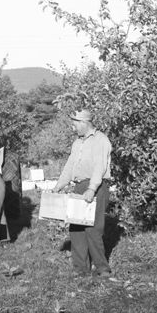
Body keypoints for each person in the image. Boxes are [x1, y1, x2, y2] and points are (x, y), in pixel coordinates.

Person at [54, 109, 113, 277]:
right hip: (79, 186)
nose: (73, 128)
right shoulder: (77, 143)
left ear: (83, 123)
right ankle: (81, 269)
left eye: (74, 125)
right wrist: (59, 186)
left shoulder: (101, 140)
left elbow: (99, 167)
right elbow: (69, 166)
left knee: (93, 229)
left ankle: (102, 268)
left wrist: (91, 189)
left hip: (96, 187)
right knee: (76, 229)